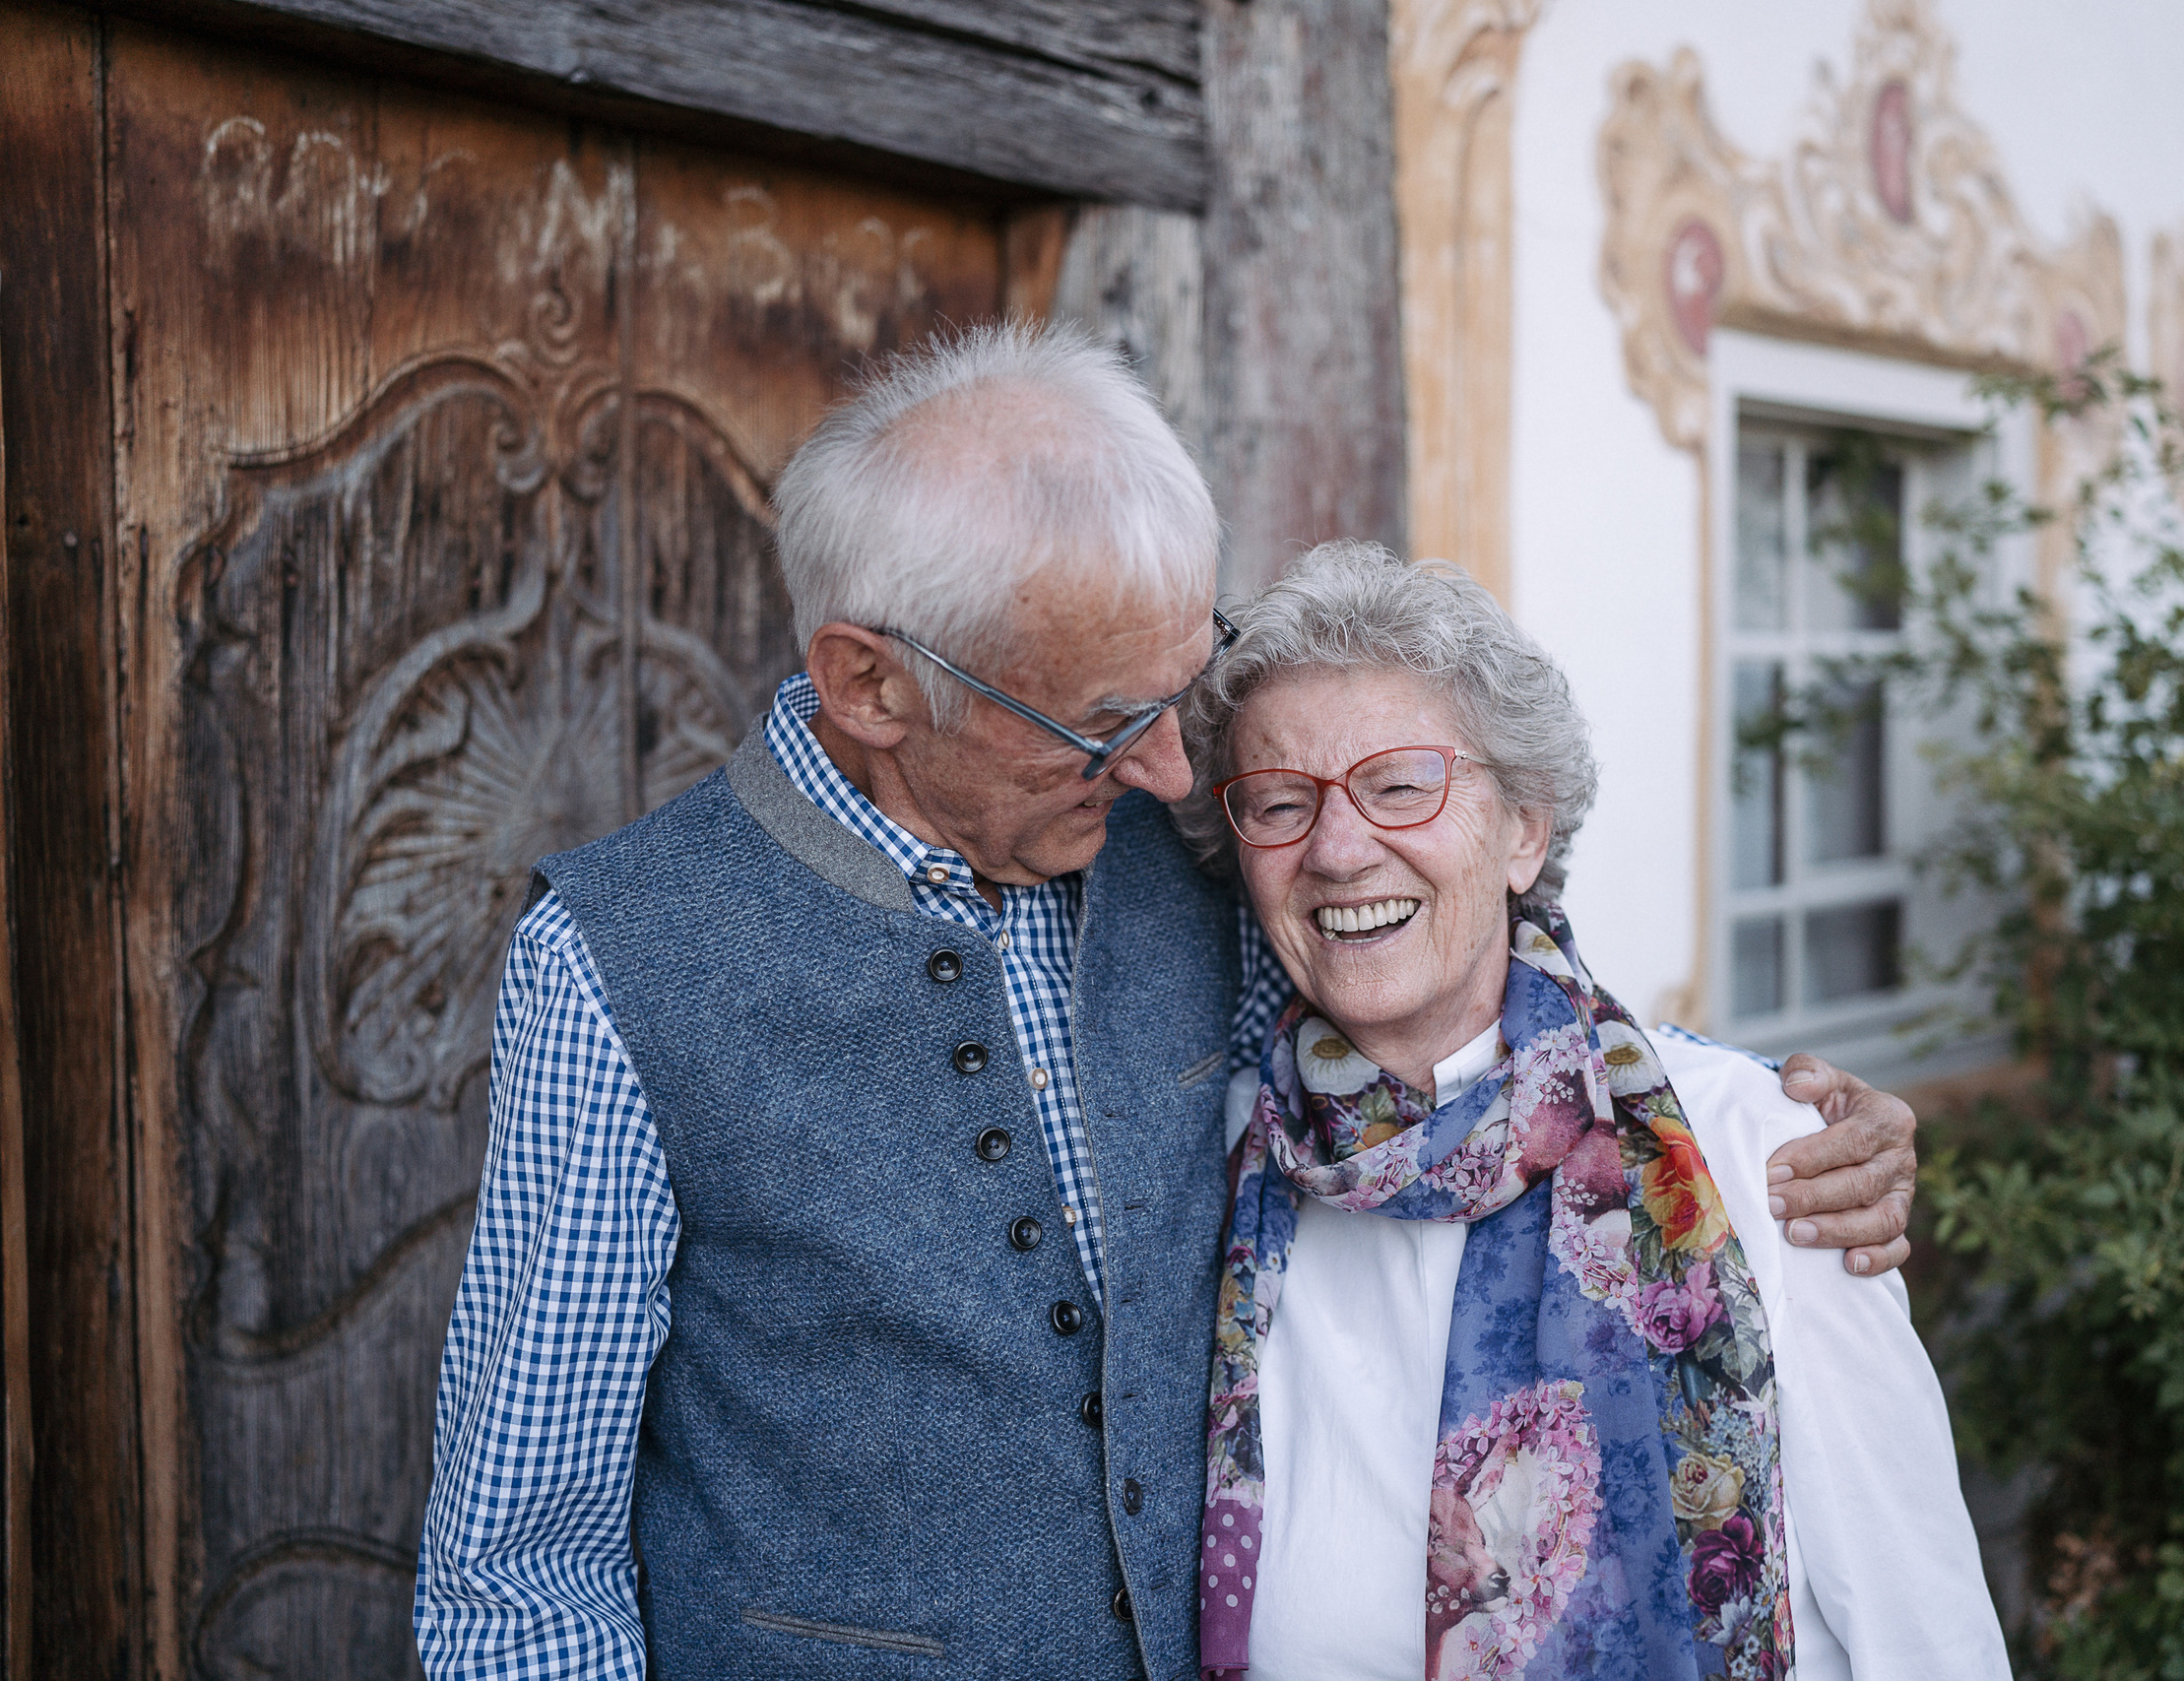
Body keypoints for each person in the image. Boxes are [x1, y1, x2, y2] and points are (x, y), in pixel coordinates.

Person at [413, 324, 1925, 1680]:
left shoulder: (1188, 853)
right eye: (1103, 725)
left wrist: (1746, 1110)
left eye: (1179, 696)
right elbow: (520, 1564)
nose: (1165, 773)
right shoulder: (614, 959)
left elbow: (1441, 972)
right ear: (871, 686)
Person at [1176, 542, 2007, 1680]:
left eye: (1401, 784)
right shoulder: (1224, 1168)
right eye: (1279, 802)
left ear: (1523, 831)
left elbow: (1929, 1637)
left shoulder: (1750, 1149)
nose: (1335, 848)